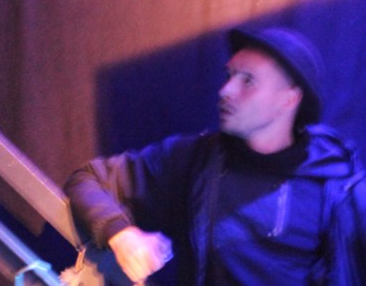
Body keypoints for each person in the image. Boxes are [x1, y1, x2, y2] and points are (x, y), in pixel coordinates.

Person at [64, 26, 366, 285]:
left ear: (289, 99)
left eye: (248, 81)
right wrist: (122, 234)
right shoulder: (194, 161)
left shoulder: (337, 185)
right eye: (229, 75)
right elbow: (87, 179)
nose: (226, 90)